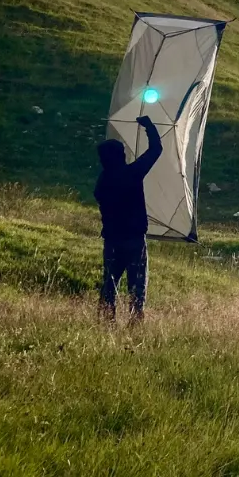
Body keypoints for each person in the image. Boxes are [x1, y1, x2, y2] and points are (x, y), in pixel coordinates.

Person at [94, 114, 162, 323]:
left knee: (109, 284)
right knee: (137, 287)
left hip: (112, 240)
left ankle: (107, 322)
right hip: (134, 240)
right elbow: (155, 150)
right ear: (121, 156)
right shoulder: (131, 174)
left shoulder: (102, 183)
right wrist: (149, 126)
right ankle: (135, 323)